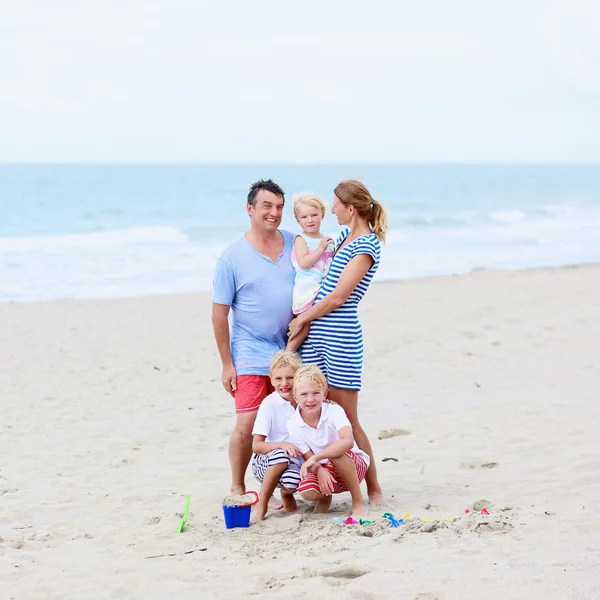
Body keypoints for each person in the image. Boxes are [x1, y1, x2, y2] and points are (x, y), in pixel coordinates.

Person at [287, 180, 388, 505]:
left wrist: (302, 318)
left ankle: (374, 489)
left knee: (346, 416)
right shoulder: (344, 238)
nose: (330, 211)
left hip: (341, 337)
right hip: (317, 335)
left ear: (350, 207)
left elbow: (338, 297)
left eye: (334, 205)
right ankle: (315, 485)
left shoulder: (367, 246)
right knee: (311, 408)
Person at [212, 179, 295, 495]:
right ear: (250, 209)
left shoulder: (294, 243)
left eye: (279, 207)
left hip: (289, 350)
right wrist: (226, 364)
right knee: (248, 425)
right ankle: (237, 486)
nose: (274, 213)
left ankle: (283, 489)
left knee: (289, 421)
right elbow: (219, 314)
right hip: (248, 350)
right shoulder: (231, 257)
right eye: (266, 206)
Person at [287, 364, 369, 518]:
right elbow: (308, 457)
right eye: (304, 394)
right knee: (307, 491)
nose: (310, 399)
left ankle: (358, 501)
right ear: (295, 397)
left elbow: (348, 441)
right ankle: (325, 497)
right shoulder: (293, 424)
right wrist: (319, 469)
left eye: (316, 393)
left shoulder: (334, 411)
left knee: (336, 453)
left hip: (352, 466)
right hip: (324, 469)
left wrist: (316, 458)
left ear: (324, 395)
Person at [250, 350, 304, 522]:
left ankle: (287, 495)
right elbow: (257, 446)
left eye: (290, 377)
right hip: (266, 462)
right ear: (271, 379)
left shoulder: (305, 401)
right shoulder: (270, 404)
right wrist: (281, 444)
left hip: (294, 461)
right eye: (278, 378)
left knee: (293, 480)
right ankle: (262, 504)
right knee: (281, 455)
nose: (284, 383)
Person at [287, 194, 335, 352]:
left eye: (314, 215)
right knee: (304, 326)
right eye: (304, 217)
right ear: (297, 219)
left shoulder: (326, 241)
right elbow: (304, 262)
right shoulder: (301, 239)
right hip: (306, 289)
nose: (310, 220)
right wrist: (321, 249)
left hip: (320, 289)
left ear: (323, 214)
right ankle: (287, 354)